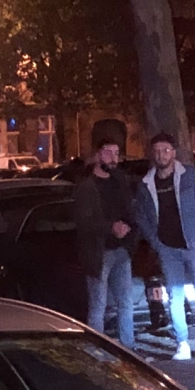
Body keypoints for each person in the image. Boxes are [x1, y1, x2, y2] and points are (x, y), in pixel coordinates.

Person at [129, 133, 195, 361]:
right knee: (175, 295)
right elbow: (141, 216)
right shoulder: (146, 184)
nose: (161, 155)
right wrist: (155, 242)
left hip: (194, 245)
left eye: (166, 150)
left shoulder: (189, 175)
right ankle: (182, 343)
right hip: (167, 248)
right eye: (157, 151)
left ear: (174, 152)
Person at [71, 121, 137, 346]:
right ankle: (97, 350)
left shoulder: (120, 182)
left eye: (116, 153)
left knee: (126, 303)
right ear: (98, 155)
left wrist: (128, 230)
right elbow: (84, 221)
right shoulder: (87, 187)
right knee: (98, 305)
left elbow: (130, 209)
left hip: (121, 251)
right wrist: (111, 227)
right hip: (100, 253)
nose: (113, 158)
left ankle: (129, 349)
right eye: (108, 153)